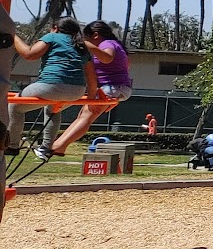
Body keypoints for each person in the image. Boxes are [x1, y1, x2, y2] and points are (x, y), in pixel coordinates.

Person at [49, 19, 132, 156]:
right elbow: (126, 64)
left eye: (87, 38)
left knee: (85, 117)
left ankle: (58, 145)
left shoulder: (107, 43)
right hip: (117, 87)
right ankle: (59, 145)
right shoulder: (118, 45)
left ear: (95, 35)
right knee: (82, 116)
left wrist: (86, 45)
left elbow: (107, 58)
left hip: (112, 87)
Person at [12, 15, 89, 159]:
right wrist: (91, 97)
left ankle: (12, 145)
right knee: (53, 108)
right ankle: (46, 148)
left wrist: (13, 36)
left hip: (51, 85)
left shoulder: (52, 37)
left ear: (56, 28)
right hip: (77, 90)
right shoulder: (81, 44)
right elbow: (91, 75)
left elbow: (29, 54)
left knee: (14, 107)